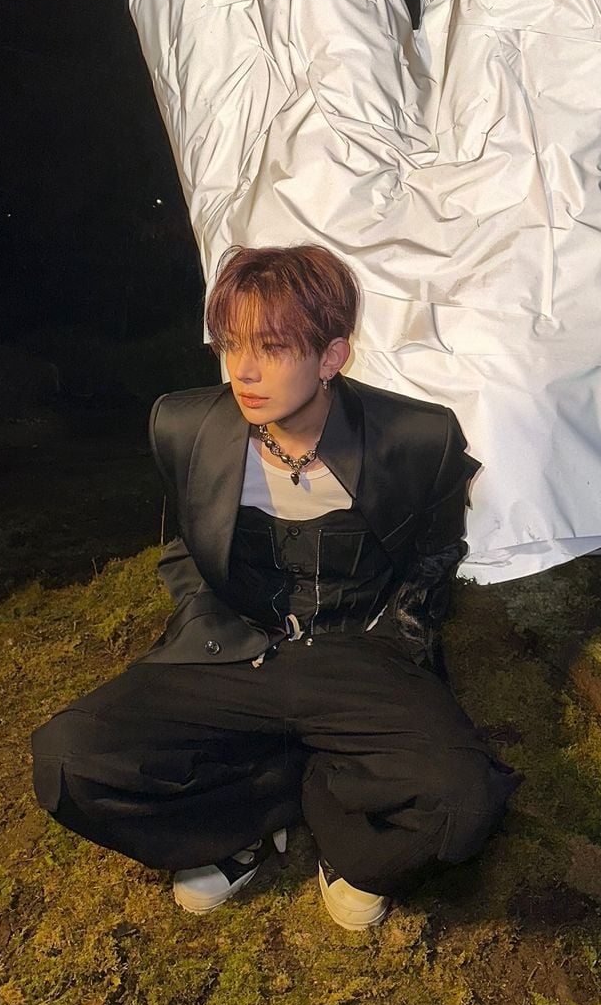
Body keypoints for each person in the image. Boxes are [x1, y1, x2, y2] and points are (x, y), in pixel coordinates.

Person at [30, 245, 520, 929]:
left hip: (358, 652)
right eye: (232, 344)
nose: (244, 370)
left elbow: (435, 556)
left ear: (332, 357)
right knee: (67, 761)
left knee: (464, 802)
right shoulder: (184, 426)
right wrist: (203, 618)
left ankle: (341, 826)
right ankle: (247, 822)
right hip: (231, 648)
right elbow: (184, 548)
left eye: (272, 347)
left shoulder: (417, 437)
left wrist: (399, 642)